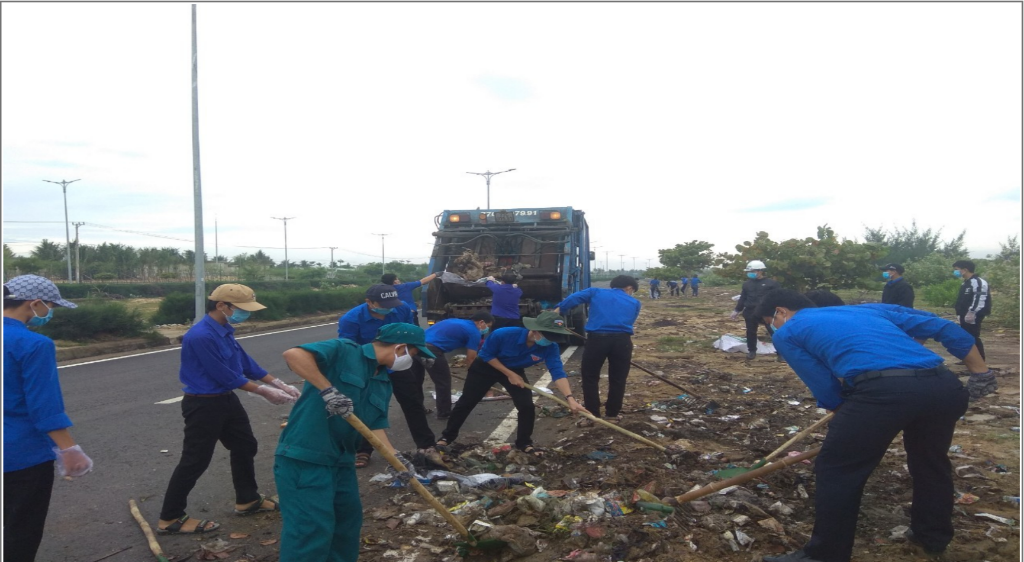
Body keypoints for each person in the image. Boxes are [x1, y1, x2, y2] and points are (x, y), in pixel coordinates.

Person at [755, 289, 989, 562]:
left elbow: (825, 387)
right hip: (944, 387)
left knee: (837, 469)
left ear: (780, 312)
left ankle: (824, 555)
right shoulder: (866, 310)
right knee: (930, 462)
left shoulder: (787, 332)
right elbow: (942, 326)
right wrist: (981, 372)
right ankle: (932, 537)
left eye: (768, 321)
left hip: (882, 393)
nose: (772, 328)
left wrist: (849, 414)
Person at [275, 323, 432, 562]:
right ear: (400, 348)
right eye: (414, 353)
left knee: (346, 526)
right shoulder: (345, 350)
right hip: (305, 457)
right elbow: (293, 354)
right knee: (310, 530)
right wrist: (328, 391)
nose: (413, 360)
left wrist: (396, 459)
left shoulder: (382, 380)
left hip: (341, 461)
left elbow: (374, 425)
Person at [158, 284, 298, 535]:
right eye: (242, 309)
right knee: (195, 459)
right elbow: (223, 375)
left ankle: (247, 499)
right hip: (203, 404)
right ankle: (170, 517)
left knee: (245, 445)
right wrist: (264, 392)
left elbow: (245, 364)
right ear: (221, 306)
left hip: (225, 400)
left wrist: (277, 383)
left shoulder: (223, 329)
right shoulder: (200, 336)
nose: (247, 314)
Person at [4, 276, 93, 562]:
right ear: (35, 304)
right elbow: (44, 406)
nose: (49, 312)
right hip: (20, 455)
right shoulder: (33, 344)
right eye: (50, 306)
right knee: (20, 531)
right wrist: (69, 450)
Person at [435, 311, 585, 456]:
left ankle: (524, 443)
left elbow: (557, 372)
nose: (550, 341)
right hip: (485, 367)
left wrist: (570, 398)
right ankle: (446, 437)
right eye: (548, 336)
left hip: (514, 369)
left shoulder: (550, 347)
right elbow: (487, 354)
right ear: (535, 330)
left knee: (526, 405)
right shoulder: (504, 334)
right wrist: (509, 374)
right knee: (467, 402)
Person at [339, 284, 435, 468]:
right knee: (367, 407)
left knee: (413, 402)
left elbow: (413, 335)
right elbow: (348, 348)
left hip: (398, 363)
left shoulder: (402, 309)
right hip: (369, 367)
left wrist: (422, 355)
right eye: (384, 304)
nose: (390, 307)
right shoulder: (351, 319)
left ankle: (426, 445)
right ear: (369, 302)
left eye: (393, 302)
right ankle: (363, 450)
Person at [554, 275, 641, 424]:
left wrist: (558, 311)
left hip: (597, 340)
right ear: (629, 288)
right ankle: (612, 415)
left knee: (590, 377)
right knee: (618, 379)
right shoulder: (635, 302)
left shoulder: (595, 292)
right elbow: (629, 320)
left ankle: (592, 415)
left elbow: (574, 298)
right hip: (623, 341)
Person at [418, 312, 494, 419]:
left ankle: (417, 410)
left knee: (416, 381)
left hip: (415, 346)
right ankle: (444, 413)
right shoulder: (473, 332)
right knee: (443, 382)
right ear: (481, 322)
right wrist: (476, 377)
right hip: (432, 350)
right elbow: (471, 358)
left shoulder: (455, 321)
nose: (486, 329)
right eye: (487, 326)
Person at [729, 260, 780, 360]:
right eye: (749, 271)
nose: (750, 273)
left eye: (752, 271)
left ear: (760, 271)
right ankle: (752, 351)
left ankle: (780, 353)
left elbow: (778, 297)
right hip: (750, 311)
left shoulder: (772, 284)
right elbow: (743, 298)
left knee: (773, 332)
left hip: (767, 312)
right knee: (751, 332)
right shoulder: (747, 284)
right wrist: (736, 310)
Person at [953, 259, 992, 366]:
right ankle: (969, 359)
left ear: (965, 270)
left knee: (973, 337)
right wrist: (959, 314)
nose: (955, 272)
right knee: (965, 337)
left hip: (973, 315)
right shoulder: (966, 283)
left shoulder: (978, 282)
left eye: (957, 269)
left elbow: (980, 299)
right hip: (963, 315)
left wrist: (972, 313)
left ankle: (980, 360)